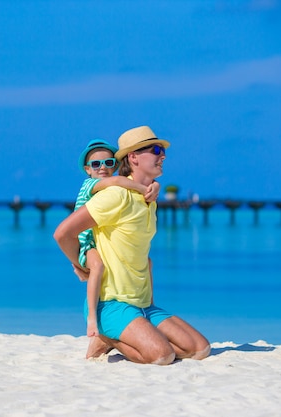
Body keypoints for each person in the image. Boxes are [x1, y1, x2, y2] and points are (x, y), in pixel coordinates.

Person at [54, 126, 211, 365]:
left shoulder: (150, 199)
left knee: (199, 349)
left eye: (162, 150)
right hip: (112, 304)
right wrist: (80, 264)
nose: (163, 155)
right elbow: (63, 233)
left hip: (144, 304)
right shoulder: (115, 195)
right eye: (156, 149)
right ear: (133, 157)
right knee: (162, 355)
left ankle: (139, 329)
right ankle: (107, 337)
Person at [74, 139, 160, 358]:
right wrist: (145, 187)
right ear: (87, 170)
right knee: (98, 267)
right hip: (86, 241)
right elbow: (119, 181)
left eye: (108, 162)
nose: (102, 168)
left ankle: (149, 306)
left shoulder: (111, 186)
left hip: (94, 237)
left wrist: (154, 186)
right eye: (96, 165)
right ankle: (93, 319)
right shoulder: (91, 185)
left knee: (147, 262)